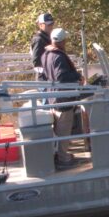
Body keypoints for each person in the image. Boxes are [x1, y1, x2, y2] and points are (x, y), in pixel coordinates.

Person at [41, 28, 82, 167]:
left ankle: (61, 155)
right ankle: (64, 159)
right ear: (63, 41)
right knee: (64, 130)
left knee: (58, 129)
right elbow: (61, 77)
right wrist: (77, 76)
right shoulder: (58, 56)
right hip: (62, 99)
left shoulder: (46, 54)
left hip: (53, 97)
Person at [31, 12, 55, 80]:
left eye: (51, 24)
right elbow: (36, 62)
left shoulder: (48, 38)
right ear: (40, 25)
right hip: (44, 78)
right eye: (48, 24)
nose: (51, 26)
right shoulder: (38, 39)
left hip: (50, 77)